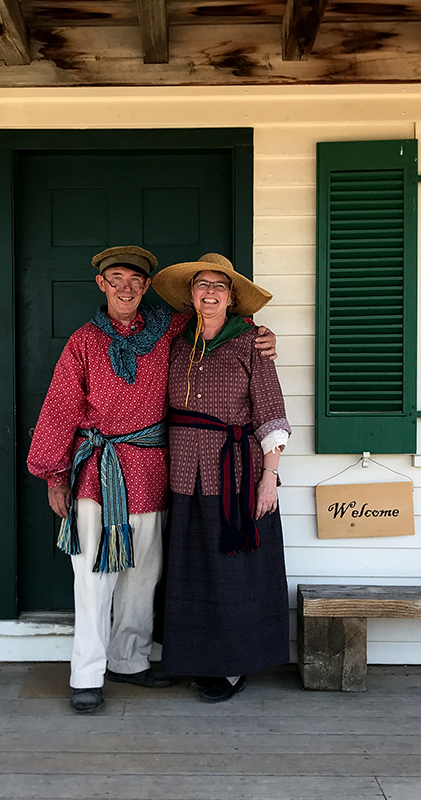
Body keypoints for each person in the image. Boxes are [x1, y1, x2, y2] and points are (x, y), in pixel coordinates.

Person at [26, 245, 276, 714]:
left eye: (135, 280)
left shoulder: (169, 329)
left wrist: (262, 337)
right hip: (97, 476)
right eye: (116, 278)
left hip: (154, 472)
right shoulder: (82, 341)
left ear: (146, 287)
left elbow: (221, 325)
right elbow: (60, 407)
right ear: (101, 284)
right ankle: (86, 674)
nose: (126, 287)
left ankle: (129, 659)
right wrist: (53, 473)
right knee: (94, 580)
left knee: (144, 577)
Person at [152, 253, 291, 703]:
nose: (209, 293)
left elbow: (271, 414)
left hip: (235, 476)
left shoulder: (252, 343)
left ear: (232, 299)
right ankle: (197, 658)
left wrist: (269, 478)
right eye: (201, 285)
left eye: (219, 286)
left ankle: (232, 666)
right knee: (192, 570)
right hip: (183, 477)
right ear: (191, 295)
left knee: (233, 571)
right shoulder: (177, 343)